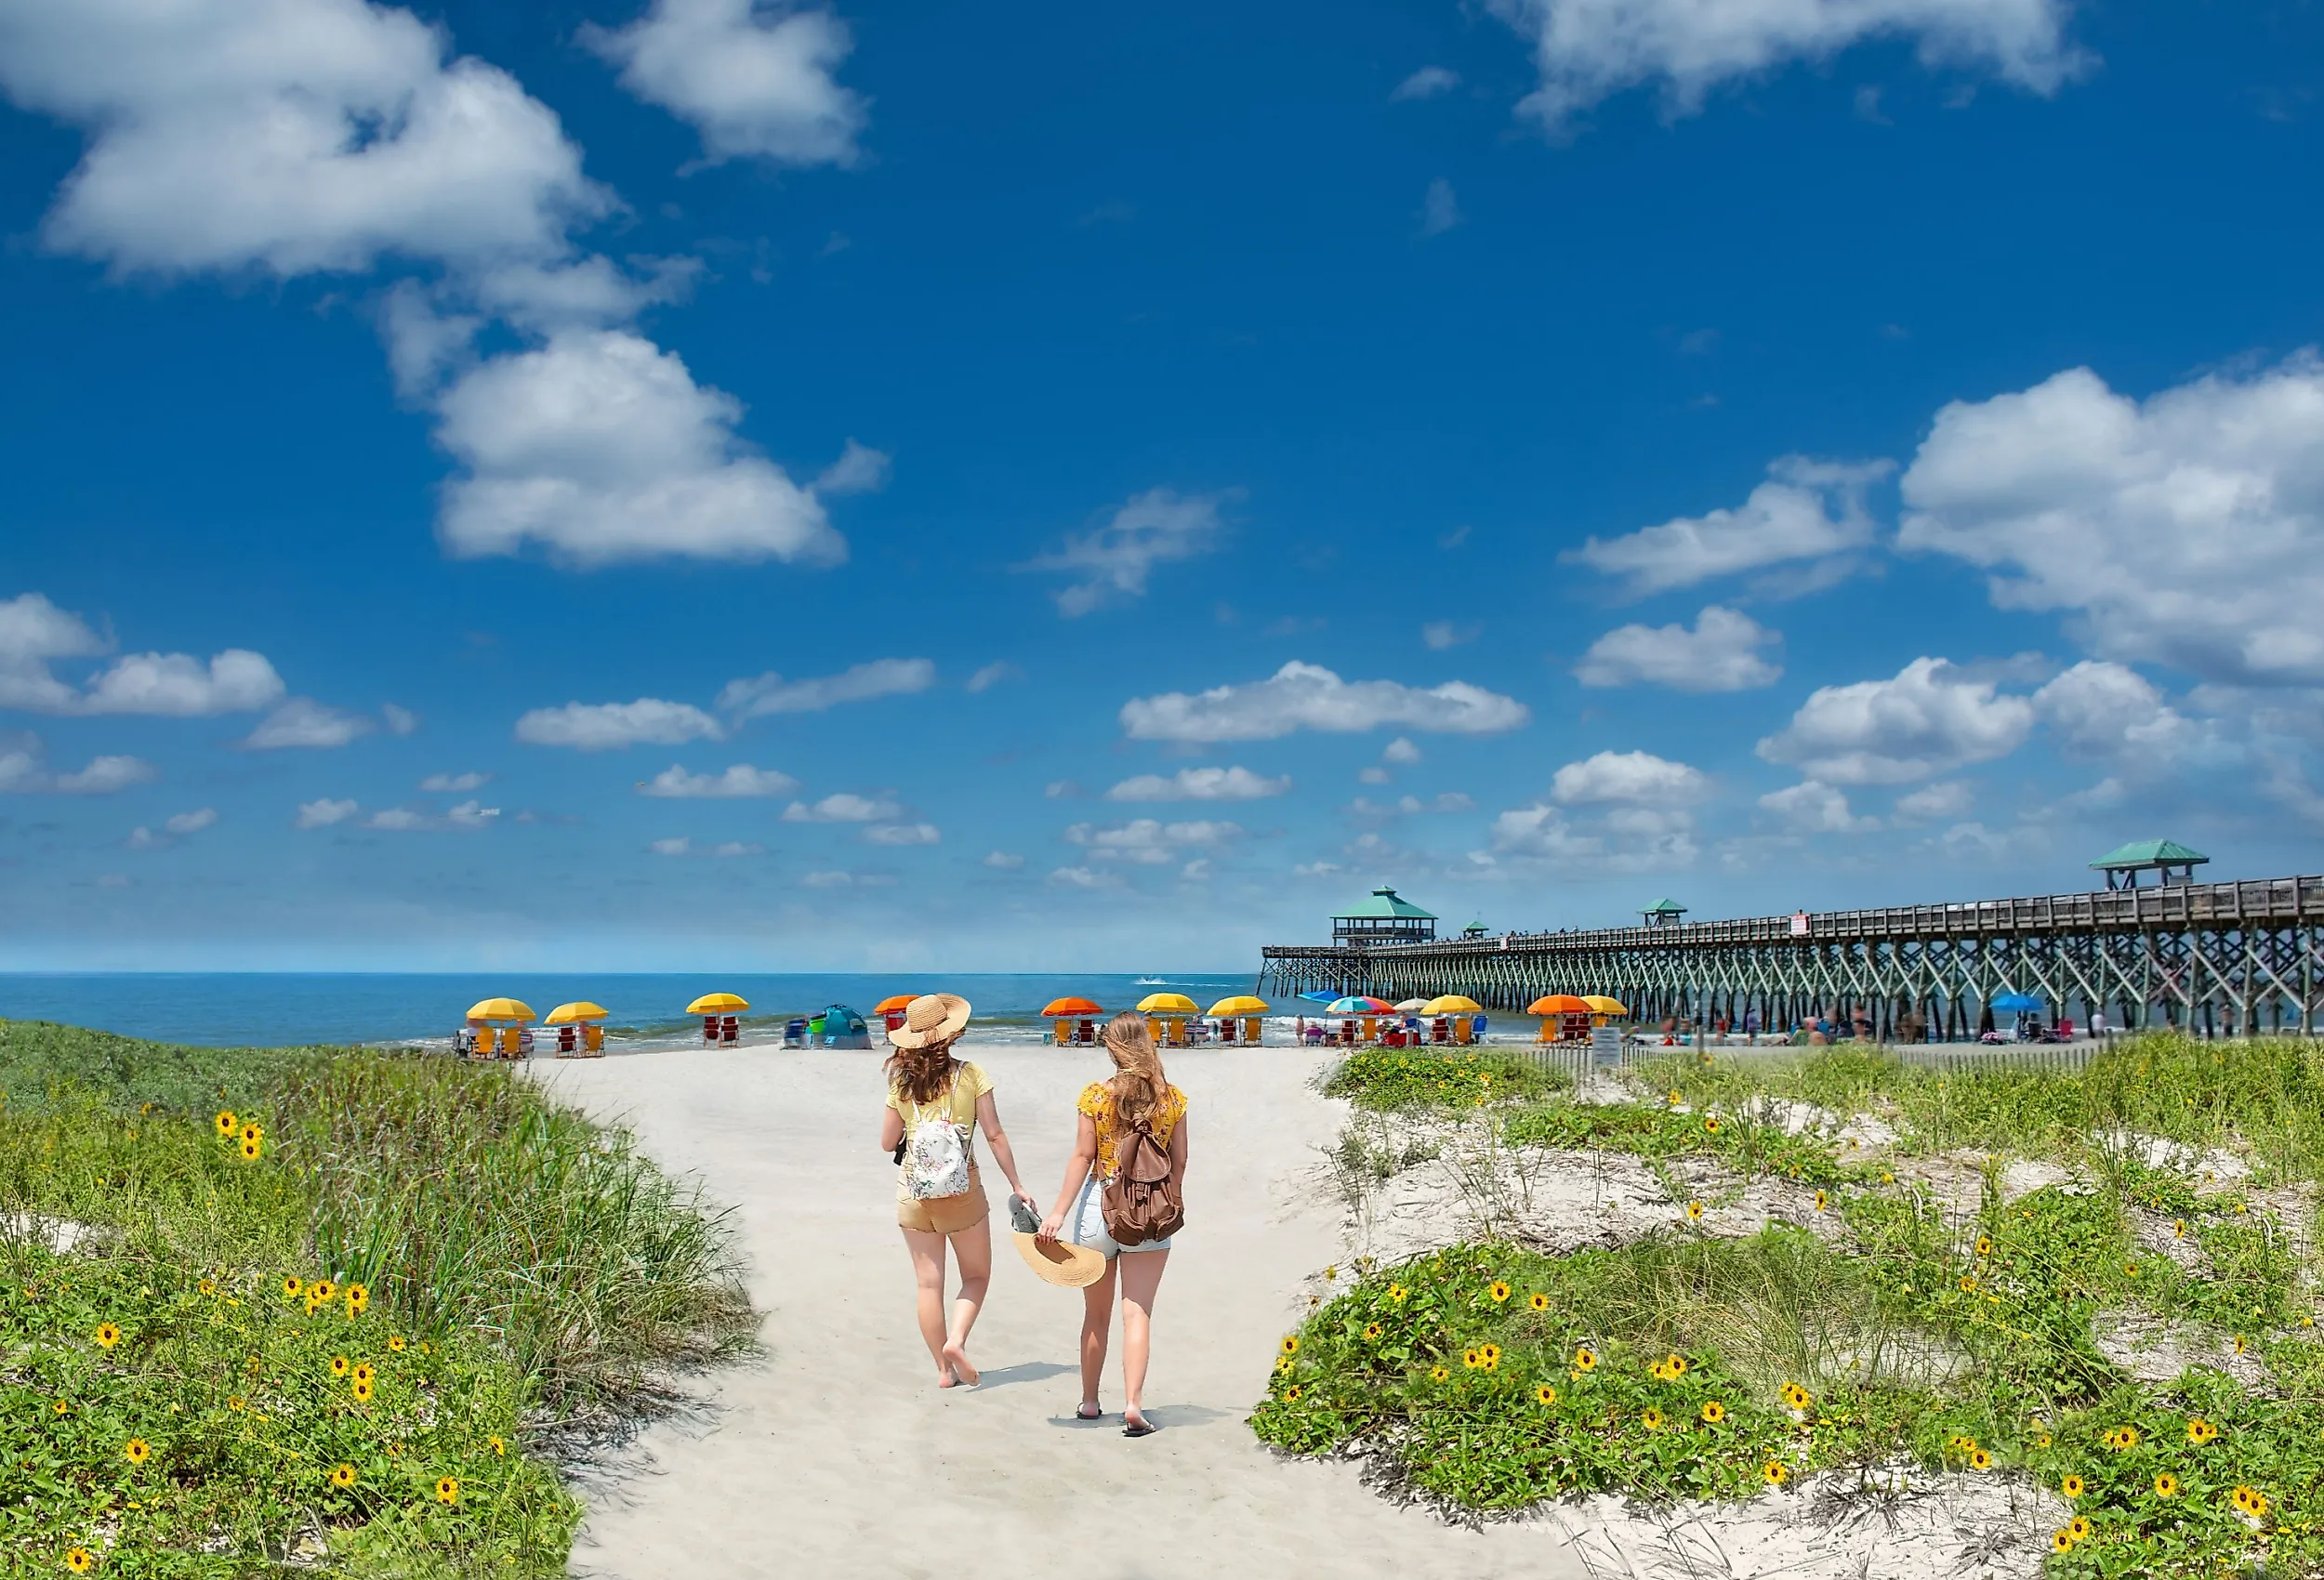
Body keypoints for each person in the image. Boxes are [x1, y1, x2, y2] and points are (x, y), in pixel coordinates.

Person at [1037, 1010, 1189, 1437]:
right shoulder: (1172, 1098)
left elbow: (1082, 1157)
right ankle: (1133, 1404)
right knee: (1137, 1313)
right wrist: (1169, 1199)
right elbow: (1179, 1161)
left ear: (1111, 1047)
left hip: (1098, 1208)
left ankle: (1089, 1402)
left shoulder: (1094, 1096)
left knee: (1095, 1315)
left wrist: (1057, 1213)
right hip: (1150, 1213)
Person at [878, 993, 1033, 1389]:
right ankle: (957, 1341)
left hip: (914, 1192)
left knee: (928, 1284)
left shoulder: (901, 1081)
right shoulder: (971, 1074)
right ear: (950, 1033)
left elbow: (886, 1141)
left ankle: (943, 1373)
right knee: (977, 1275)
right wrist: (1017, 1184)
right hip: (962, 1190)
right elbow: (995, 1135)